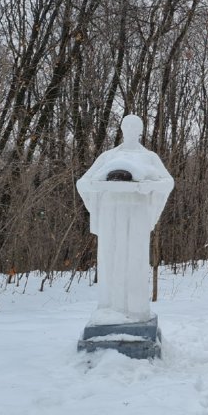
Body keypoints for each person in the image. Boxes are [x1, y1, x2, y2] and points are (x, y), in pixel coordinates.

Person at [76, 115, 173, 323]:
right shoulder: (108, 157)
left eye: (134, 125)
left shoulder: (150, 158)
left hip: (137, 210)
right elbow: (83, 182)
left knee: (135, 258)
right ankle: (109, 308)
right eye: (126, 124)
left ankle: (136, 309)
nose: (129, 128)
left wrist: (150, 186)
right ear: (121, 128)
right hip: (111, 210)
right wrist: (99, 184)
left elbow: (168, 182)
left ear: (140, 130)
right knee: (110, 257)